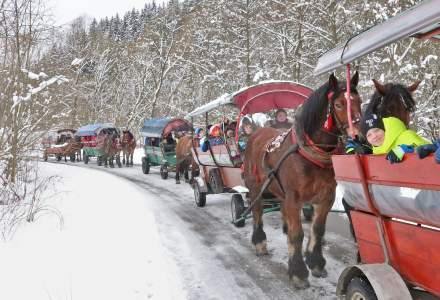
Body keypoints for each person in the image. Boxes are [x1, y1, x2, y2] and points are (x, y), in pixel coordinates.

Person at [359, 113, 431, 163]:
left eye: (377, 130)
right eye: (369, 135)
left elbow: (427, 148)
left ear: (384, 129)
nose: (374, 136)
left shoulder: (406, 135)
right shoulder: (377, 151)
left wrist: (407, 149)